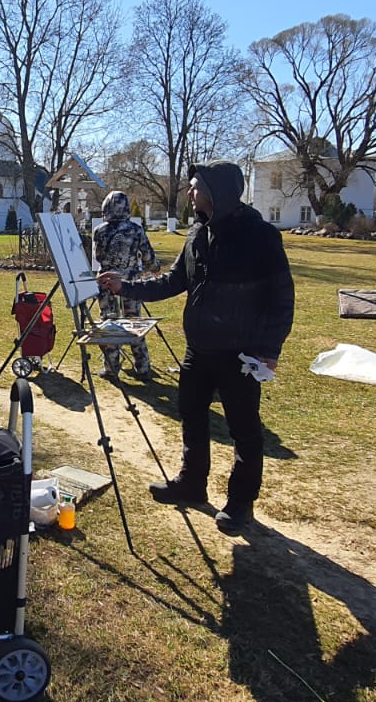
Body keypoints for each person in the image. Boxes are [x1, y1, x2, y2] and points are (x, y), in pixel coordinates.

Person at [98, 163, 294, 535]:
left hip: (241, 353)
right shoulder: (197, 233)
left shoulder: (259, 235)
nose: (189, 193)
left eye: (194, 187)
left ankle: (240, 502)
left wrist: (270, 349)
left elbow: (281, 297)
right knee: (191, 416)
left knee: (244, 429)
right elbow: (174, 281)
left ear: (215, 192)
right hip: (199, 350)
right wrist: (126, 287)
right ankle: (192, 483)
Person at [90, 190, 159, 378]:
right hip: (130, 282)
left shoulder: (100, 230)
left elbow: (98, 256)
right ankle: (142, 366)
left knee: (109, 322)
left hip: (106, 281)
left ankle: (111, 367)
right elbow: (148, 256)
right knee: (134, 321)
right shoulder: (136, 230)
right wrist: (154, 267)